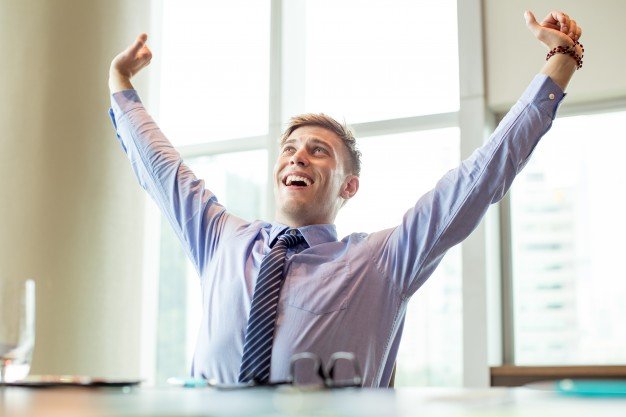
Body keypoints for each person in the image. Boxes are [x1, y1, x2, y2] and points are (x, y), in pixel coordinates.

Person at [108, 10, 583, 387]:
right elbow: (161, 167)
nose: (298, 159)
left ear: (348, 186)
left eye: (318, 152)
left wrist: (561, 60)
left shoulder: (382, 260)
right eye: (290, 150)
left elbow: (477, 179)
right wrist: (120, 84)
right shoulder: (220, 238)